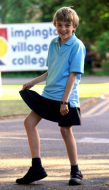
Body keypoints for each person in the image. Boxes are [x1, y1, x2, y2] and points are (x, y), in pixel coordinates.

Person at [16, 6, 86, 186]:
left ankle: (75, 171)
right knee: (29, 123)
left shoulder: (77, 46)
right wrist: (34, 81)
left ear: (74, 26)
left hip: (66, 97)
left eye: (67, 25)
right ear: (55, 25)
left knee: (65, 131)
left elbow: (73, 75)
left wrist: (65, 101)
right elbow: (51, 71)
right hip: (48, 95)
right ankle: (36, 168)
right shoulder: (53, 44)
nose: (63, 29)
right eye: (59, 25)